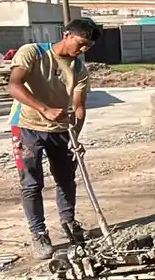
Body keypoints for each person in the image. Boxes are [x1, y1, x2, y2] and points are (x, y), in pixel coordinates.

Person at [6, 17, 102, 260]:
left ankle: (68, 223)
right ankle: (38, 233)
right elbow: (14, 86)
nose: (81, 50)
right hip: (27, 126)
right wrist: (44, 108)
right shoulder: (33, 53)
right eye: (80, 43)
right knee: (31, 183)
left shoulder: (79, 69)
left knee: (66, 179)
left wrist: (76, 137)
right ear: (67, 35)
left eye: (87, 47)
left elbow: (79, 107)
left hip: (61, 130)